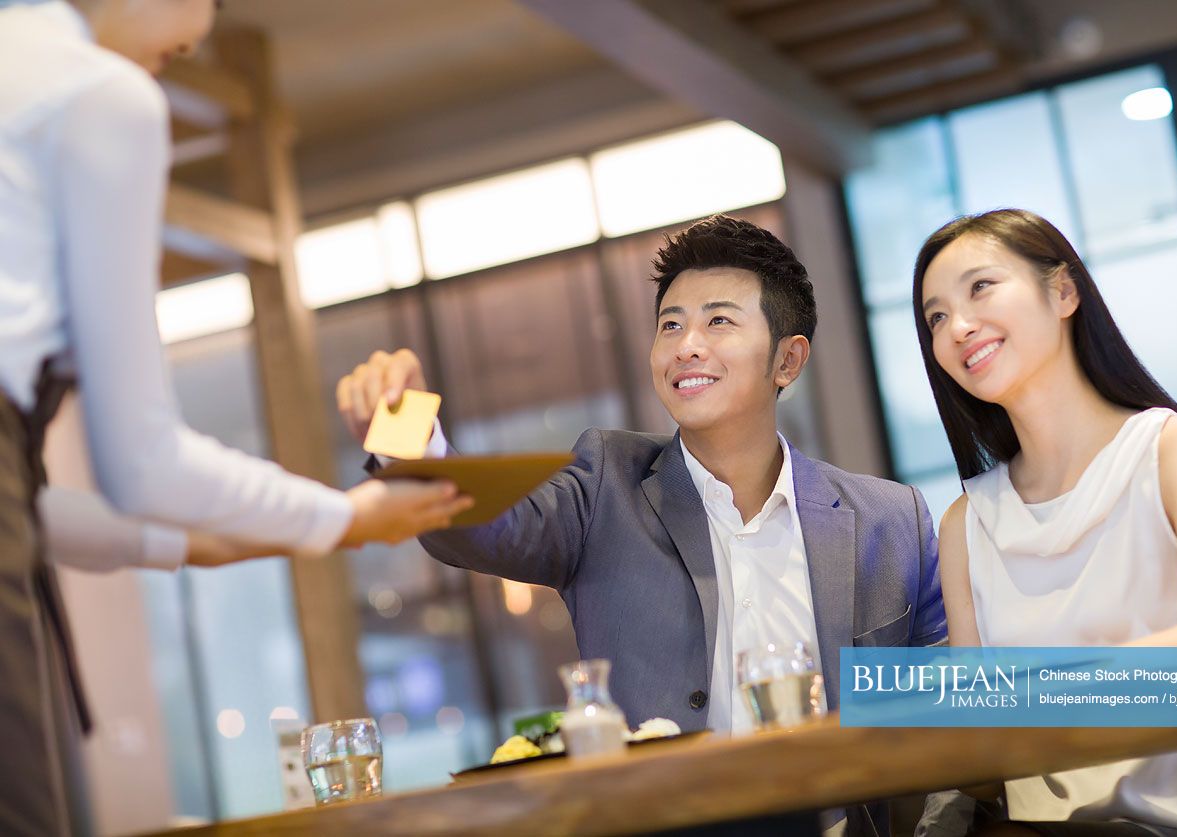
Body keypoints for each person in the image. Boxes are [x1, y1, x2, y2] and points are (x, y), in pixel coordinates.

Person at [0, 2, 471, 834]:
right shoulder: (96, 92)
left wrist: (226, 536)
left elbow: (38, 510)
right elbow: (142, 462)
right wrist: (342, 517)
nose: (201, 31)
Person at [339, 214, 954, 837]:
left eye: (719, 321)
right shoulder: (606, 484)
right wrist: (406, 435)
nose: (687, 345)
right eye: (670, 325)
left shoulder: (887, 520)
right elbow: (484, 529)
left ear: (787, 360)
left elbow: (951, 710)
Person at [913, 208, 1177, 836]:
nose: (958, 327)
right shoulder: (967, 523)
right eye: (936, 317)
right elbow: (980, 759)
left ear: (1064, 292)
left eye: (981, 287)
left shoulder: (1174, 449)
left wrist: (1027, 694)